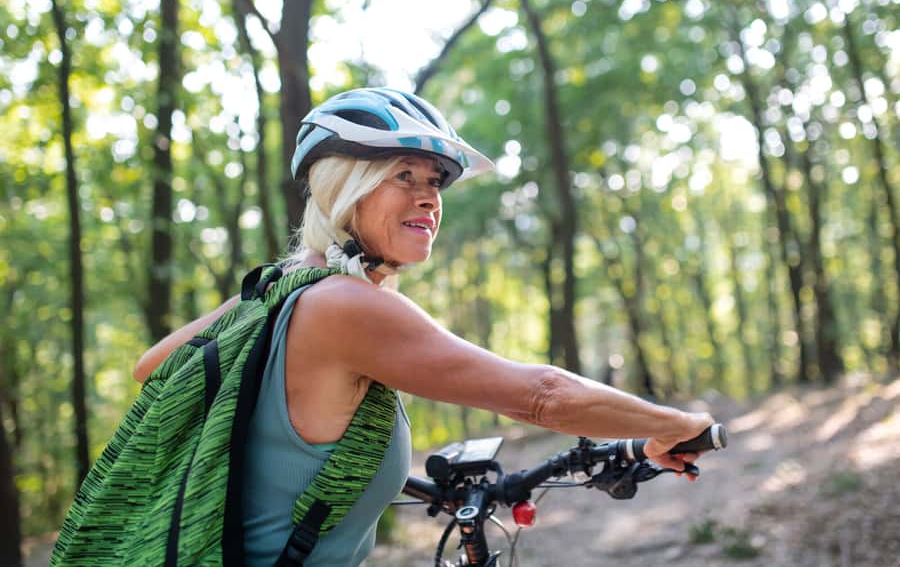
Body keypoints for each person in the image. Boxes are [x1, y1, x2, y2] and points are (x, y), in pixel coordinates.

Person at [134, 87, 714, 566]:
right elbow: (543, 398)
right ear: (345, 187)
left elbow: (153, 368)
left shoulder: (281, 291)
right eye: (403, 175)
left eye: (434, 181)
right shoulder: (344, 306)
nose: (428, 197)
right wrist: (676, 424)